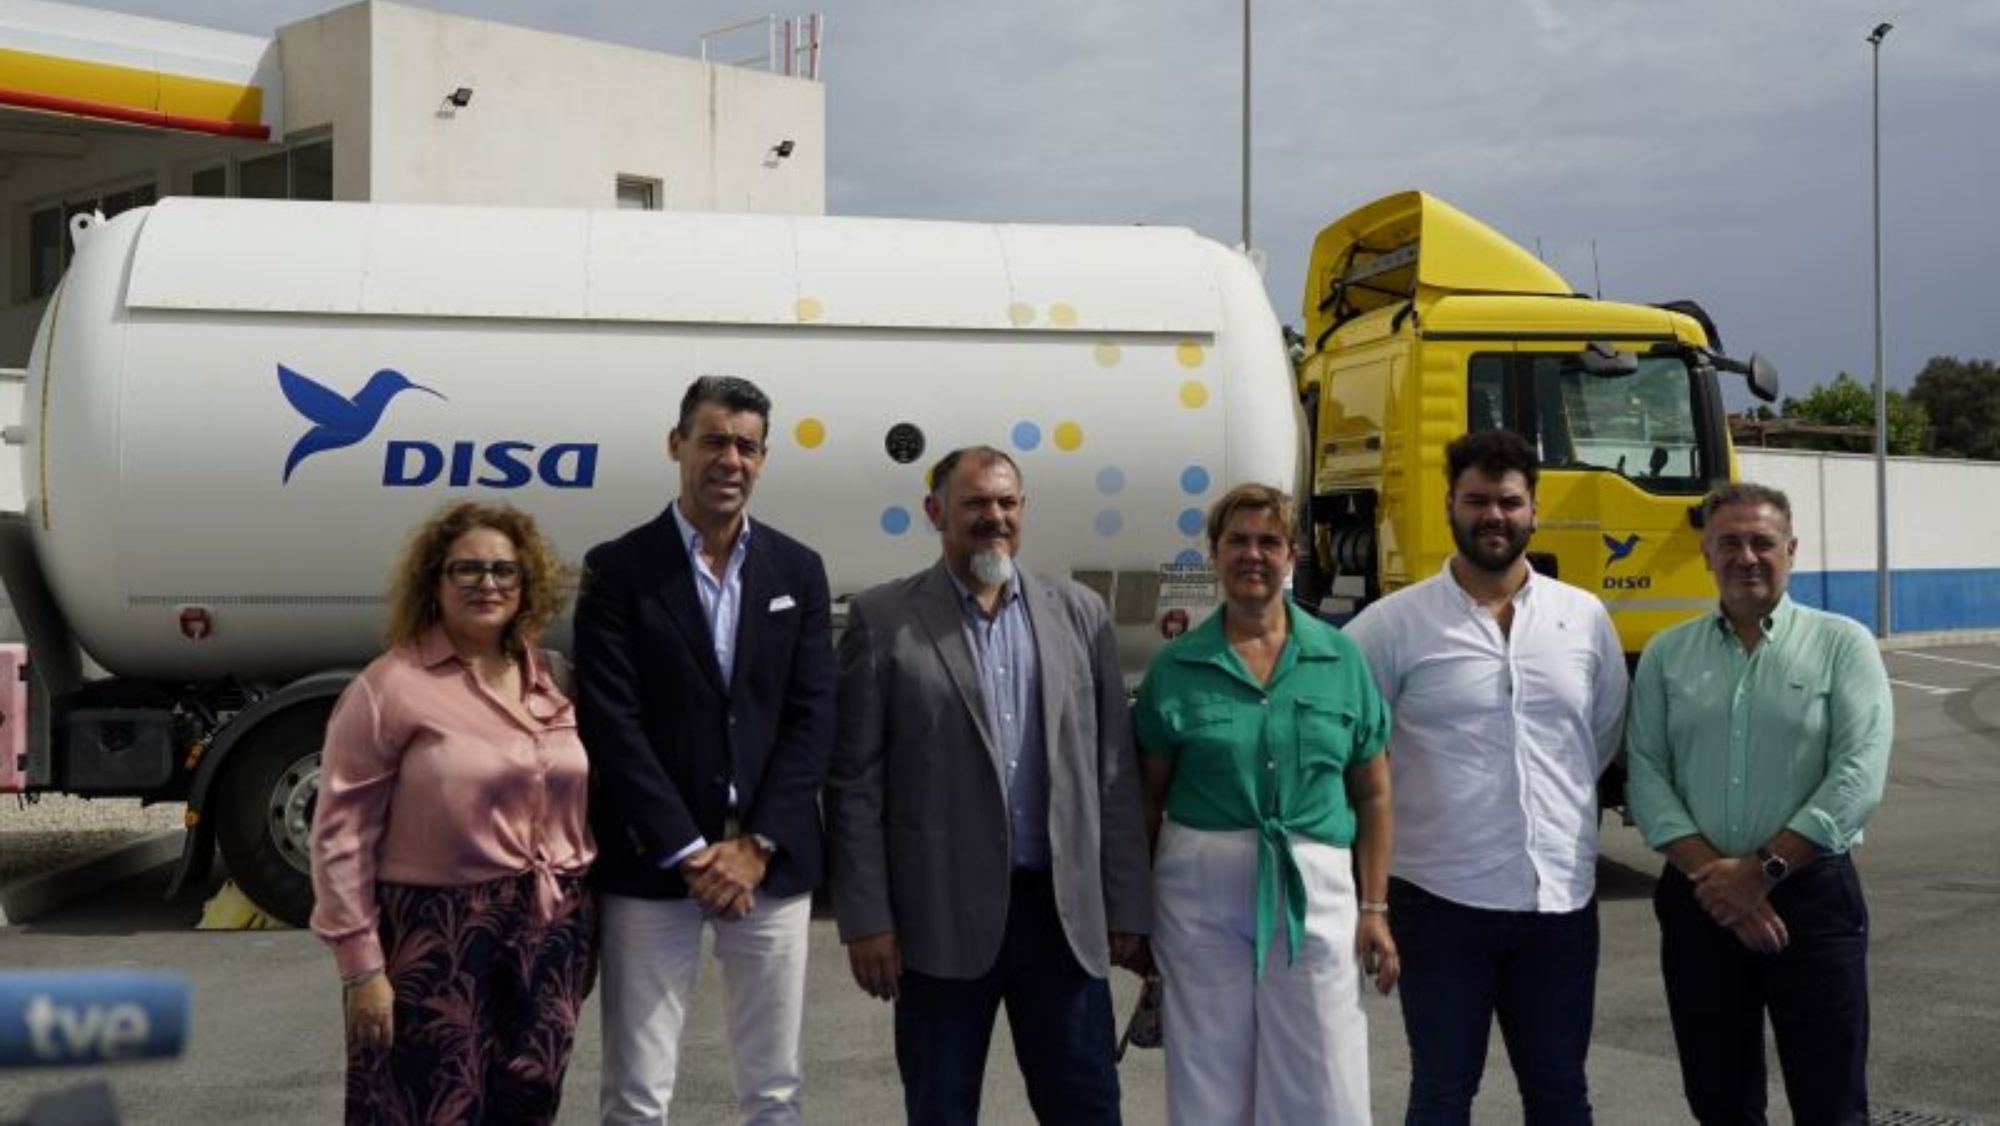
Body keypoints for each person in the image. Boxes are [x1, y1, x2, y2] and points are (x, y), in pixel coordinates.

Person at [826, 445, 1152, 1125]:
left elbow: (1113, 771)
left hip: (1061, 920)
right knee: (941, 1111)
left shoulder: (1080, 613)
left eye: (1006, 502)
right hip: (938, 920)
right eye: (975, 503)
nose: (993, 517)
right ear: (935, 512)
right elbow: (855, 783)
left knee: (1087, 1109)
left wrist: (1125, 902)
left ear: (1023, 510)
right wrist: (866, 918)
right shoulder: (884, 621)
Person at [1343, 430, 1627, 1125]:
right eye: (1476, 501)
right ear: (1449, 505)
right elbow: (1355, 753)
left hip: (1558, 901)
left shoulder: (1583, 618)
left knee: (1561, 1094)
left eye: (1508, 501)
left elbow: (1596, 737)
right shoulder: (1390, 627)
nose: (1493, 516)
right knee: (1442, 1094)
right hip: (1440, 904)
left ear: (1534, 510)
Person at [574, 375, 835, 1125]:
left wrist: (756, 844)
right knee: (637, 1094)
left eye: (746, 447)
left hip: (768, 866)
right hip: (653, 864)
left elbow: (813, 717)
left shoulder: (797, 570)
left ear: (763, 459)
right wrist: (690, 852)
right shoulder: (619, 569)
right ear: (676, 444)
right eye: (714, 440)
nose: (730, 460)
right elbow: (612, 723)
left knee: (774, 1090)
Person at [310, 500, 595, 1126]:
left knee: (530, 1101)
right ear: (433, 582)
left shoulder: (551, 677)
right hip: (435, 935)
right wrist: (361, 969)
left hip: (549, 930)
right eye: (466, 569)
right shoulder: (389, 686)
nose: (487, 583)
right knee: (429, 1106)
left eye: (504, 570)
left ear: (527, 583)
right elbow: (339, 837)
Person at [1626, 482, 1892, 1125]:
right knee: (1720, 1100)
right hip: (1701, 902)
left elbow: (1859, 774)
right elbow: (1647, 776)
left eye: (1762, 542)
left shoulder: (1843, 644)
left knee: (1831, 1102)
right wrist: (1722, 883)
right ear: (1705, 554)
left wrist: (1761, 872)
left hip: (1812, 899)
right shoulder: (1666, 654)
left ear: (1791, 550)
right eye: (1729, 543)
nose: (1746, 556)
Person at [1131, 483, 1396, 1125]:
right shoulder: (1175, 666)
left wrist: (1374, 908)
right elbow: (1147, 800)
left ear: (1292, 553)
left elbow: (1373, 791)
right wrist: (1133, 912)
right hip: (1198, 892)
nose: (1254, 554)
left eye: (1269, 541)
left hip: (1316, 889)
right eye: (1238, 541)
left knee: (1325, 1071)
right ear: (1214, 554)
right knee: (1208, 1073)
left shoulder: (1341, 658)